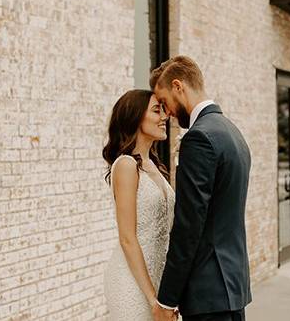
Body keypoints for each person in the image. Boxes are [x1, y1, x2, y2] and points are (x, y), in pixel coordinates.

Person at [150, 56, 252, 321]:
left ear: (178, 87)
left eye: (164, 102)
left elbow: (188, 226)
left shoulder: (199, 138)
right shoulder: (232, 132)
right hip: (232, 287)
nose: (167, 112)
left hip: (208, 293)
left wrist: (167, 299)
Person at [102, 89, 177, 320]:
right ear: (135, 117)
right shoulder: (125, 165)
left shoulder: (155, 165)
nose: (164, 116)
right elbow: (127, 238)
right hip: (132, 283)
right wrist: (152, 299)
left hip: (159, 277)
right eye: (157, 110)